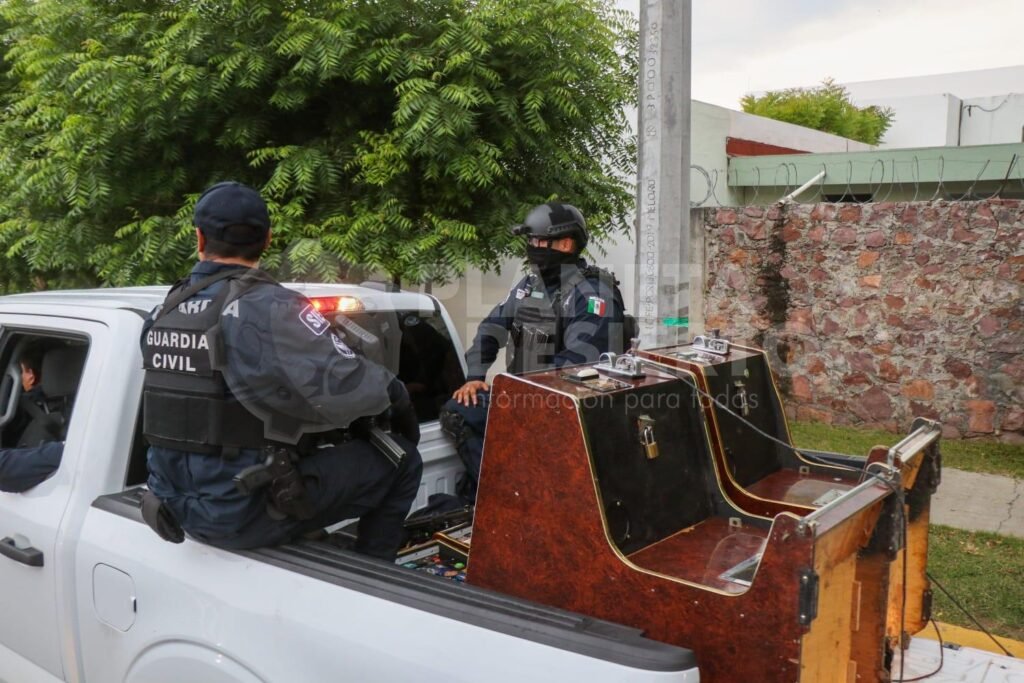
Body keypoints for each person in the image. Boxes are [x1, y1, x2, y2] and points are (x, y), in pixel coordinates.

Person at [140, 181, 423, 560]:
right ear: (268, 239)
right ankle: (374, 579)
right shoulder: (271, 308)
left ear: (199, 238)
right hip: (241, 512)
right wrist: (397, 396)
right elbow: (352, 383)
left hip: (171, 504)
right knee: (403, 460)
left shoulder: (163, 312)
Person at [439, 202, 629, 502]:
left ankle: (511, 497)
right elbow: (491, 328)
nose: (532, 248)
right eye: (531, 241)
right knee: (459, 411)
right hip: (524, 396)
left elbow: (579, 364)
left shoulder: (593, 293)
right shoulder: (529, 285)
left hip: (567, 407)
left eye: (539, 241)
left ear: (565, 244)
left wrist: (519, 394)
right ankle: (498, 494)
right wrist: (475, 376)